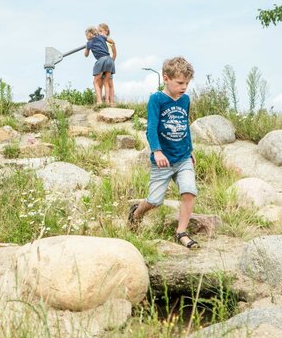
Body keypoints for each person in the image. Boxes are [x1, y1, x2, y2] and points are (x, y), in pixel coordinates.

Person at [127, 56, 199, 249]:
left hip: (183, 157)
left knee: (189, 192)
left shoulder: (185, 100)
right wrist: (157, 151)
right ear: (166, 78)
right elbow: (151, 128)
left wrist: (190, 150)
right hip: (163, 160)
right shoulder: (157, 99)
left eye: (187, 83)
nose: (184, 87)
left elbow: (185, 125)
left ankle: (181, 232)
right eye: (180, 83)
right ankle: (136, 213)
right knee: (155, 201)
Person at [84, 25, 116, 106]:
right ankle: (108, 102)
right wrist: (103, 36)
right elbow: (112, 41)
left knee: (95, 82)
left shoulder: (89, 43)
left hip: (101, 60)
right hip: (109, 59)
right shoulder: (102, 37)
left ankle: (99, 101)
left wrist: (87, 47)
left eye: (86, 35)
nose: (86, 37)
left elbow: (86, 55)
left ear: (90, 34)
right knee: (106, 81)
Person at [99, 23, 117, 105]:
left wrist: (111, 62)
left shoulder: (110, 41)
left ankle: (111, 101)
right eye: (98, 31)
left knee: (110, 83)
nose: (99, 33)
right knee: (100, 82)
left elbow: (114, 53)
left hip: (108, 63)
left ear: (106, 31)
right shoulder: (99, 40)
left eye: (101, 31)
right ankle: (103, 101)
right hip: (101, 63)